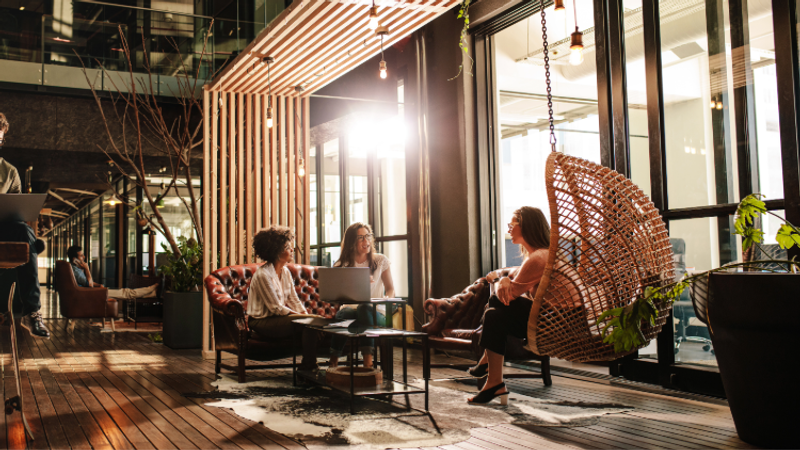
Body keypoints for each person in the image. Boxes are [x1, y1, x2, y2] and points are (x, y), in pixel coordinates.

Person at [467, 206, 550, 405]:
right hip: (550, 319)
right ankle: (494, 382)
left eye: (512, 225)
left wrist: (500, 281)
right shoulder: (541, 255)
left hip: (553, 324)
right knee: (494, 316)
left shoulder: (538, 258)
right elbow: (514, 273)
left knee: (496, 304)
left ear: (527, 227)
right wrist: (504, 278)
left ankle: (489, 368)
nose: (509, 229)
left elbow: (506, 296)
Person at [0, 112, 50, 338]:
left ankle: (31, 313)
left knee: (25, 231)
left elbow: (15, 210)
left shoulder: (9, 172)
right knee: (29, 240)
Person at [247, 226, 322, 370]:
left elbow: (293, 300)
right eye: (288, 247)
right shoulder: (263, 275)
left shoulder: (285, 271)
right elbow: (276, 307)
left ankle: (308, 366)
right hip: (261, 322)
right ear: (276, 251)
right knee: (310, 322)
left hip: (277, 319)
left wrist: (307, 316)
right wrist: (305, 318)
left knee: (311, 322)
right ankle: (309, 368)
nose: (292, 250)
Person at [328, 222, 395, 369]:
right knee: (344, 312)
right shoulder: (342, 264)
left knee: (364, 308)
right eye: (360, 238)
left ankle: (368, 362)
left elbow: (390, 289)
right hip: (351, 310)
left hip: (376, 312)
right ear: (352, 242)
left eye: (368, 236)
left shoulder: (380, 260)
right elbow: (337, 295)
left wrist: (386, 299)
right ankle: (333, 361)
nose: (366, 241)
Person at [67, 245, 157, 297]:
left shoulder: (74, 269)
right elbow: (90, 285)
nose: (84, 257)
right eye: (81, 256)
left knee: (125, 292)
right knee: (125, 293)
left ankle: (151, 293)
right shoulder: (75, 271)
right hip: (91, 295)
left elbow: (87, 282)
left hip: (92, 293)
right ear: (75, 259)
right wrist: (87, 269)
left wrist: (99, 285)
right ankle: (150, 289)